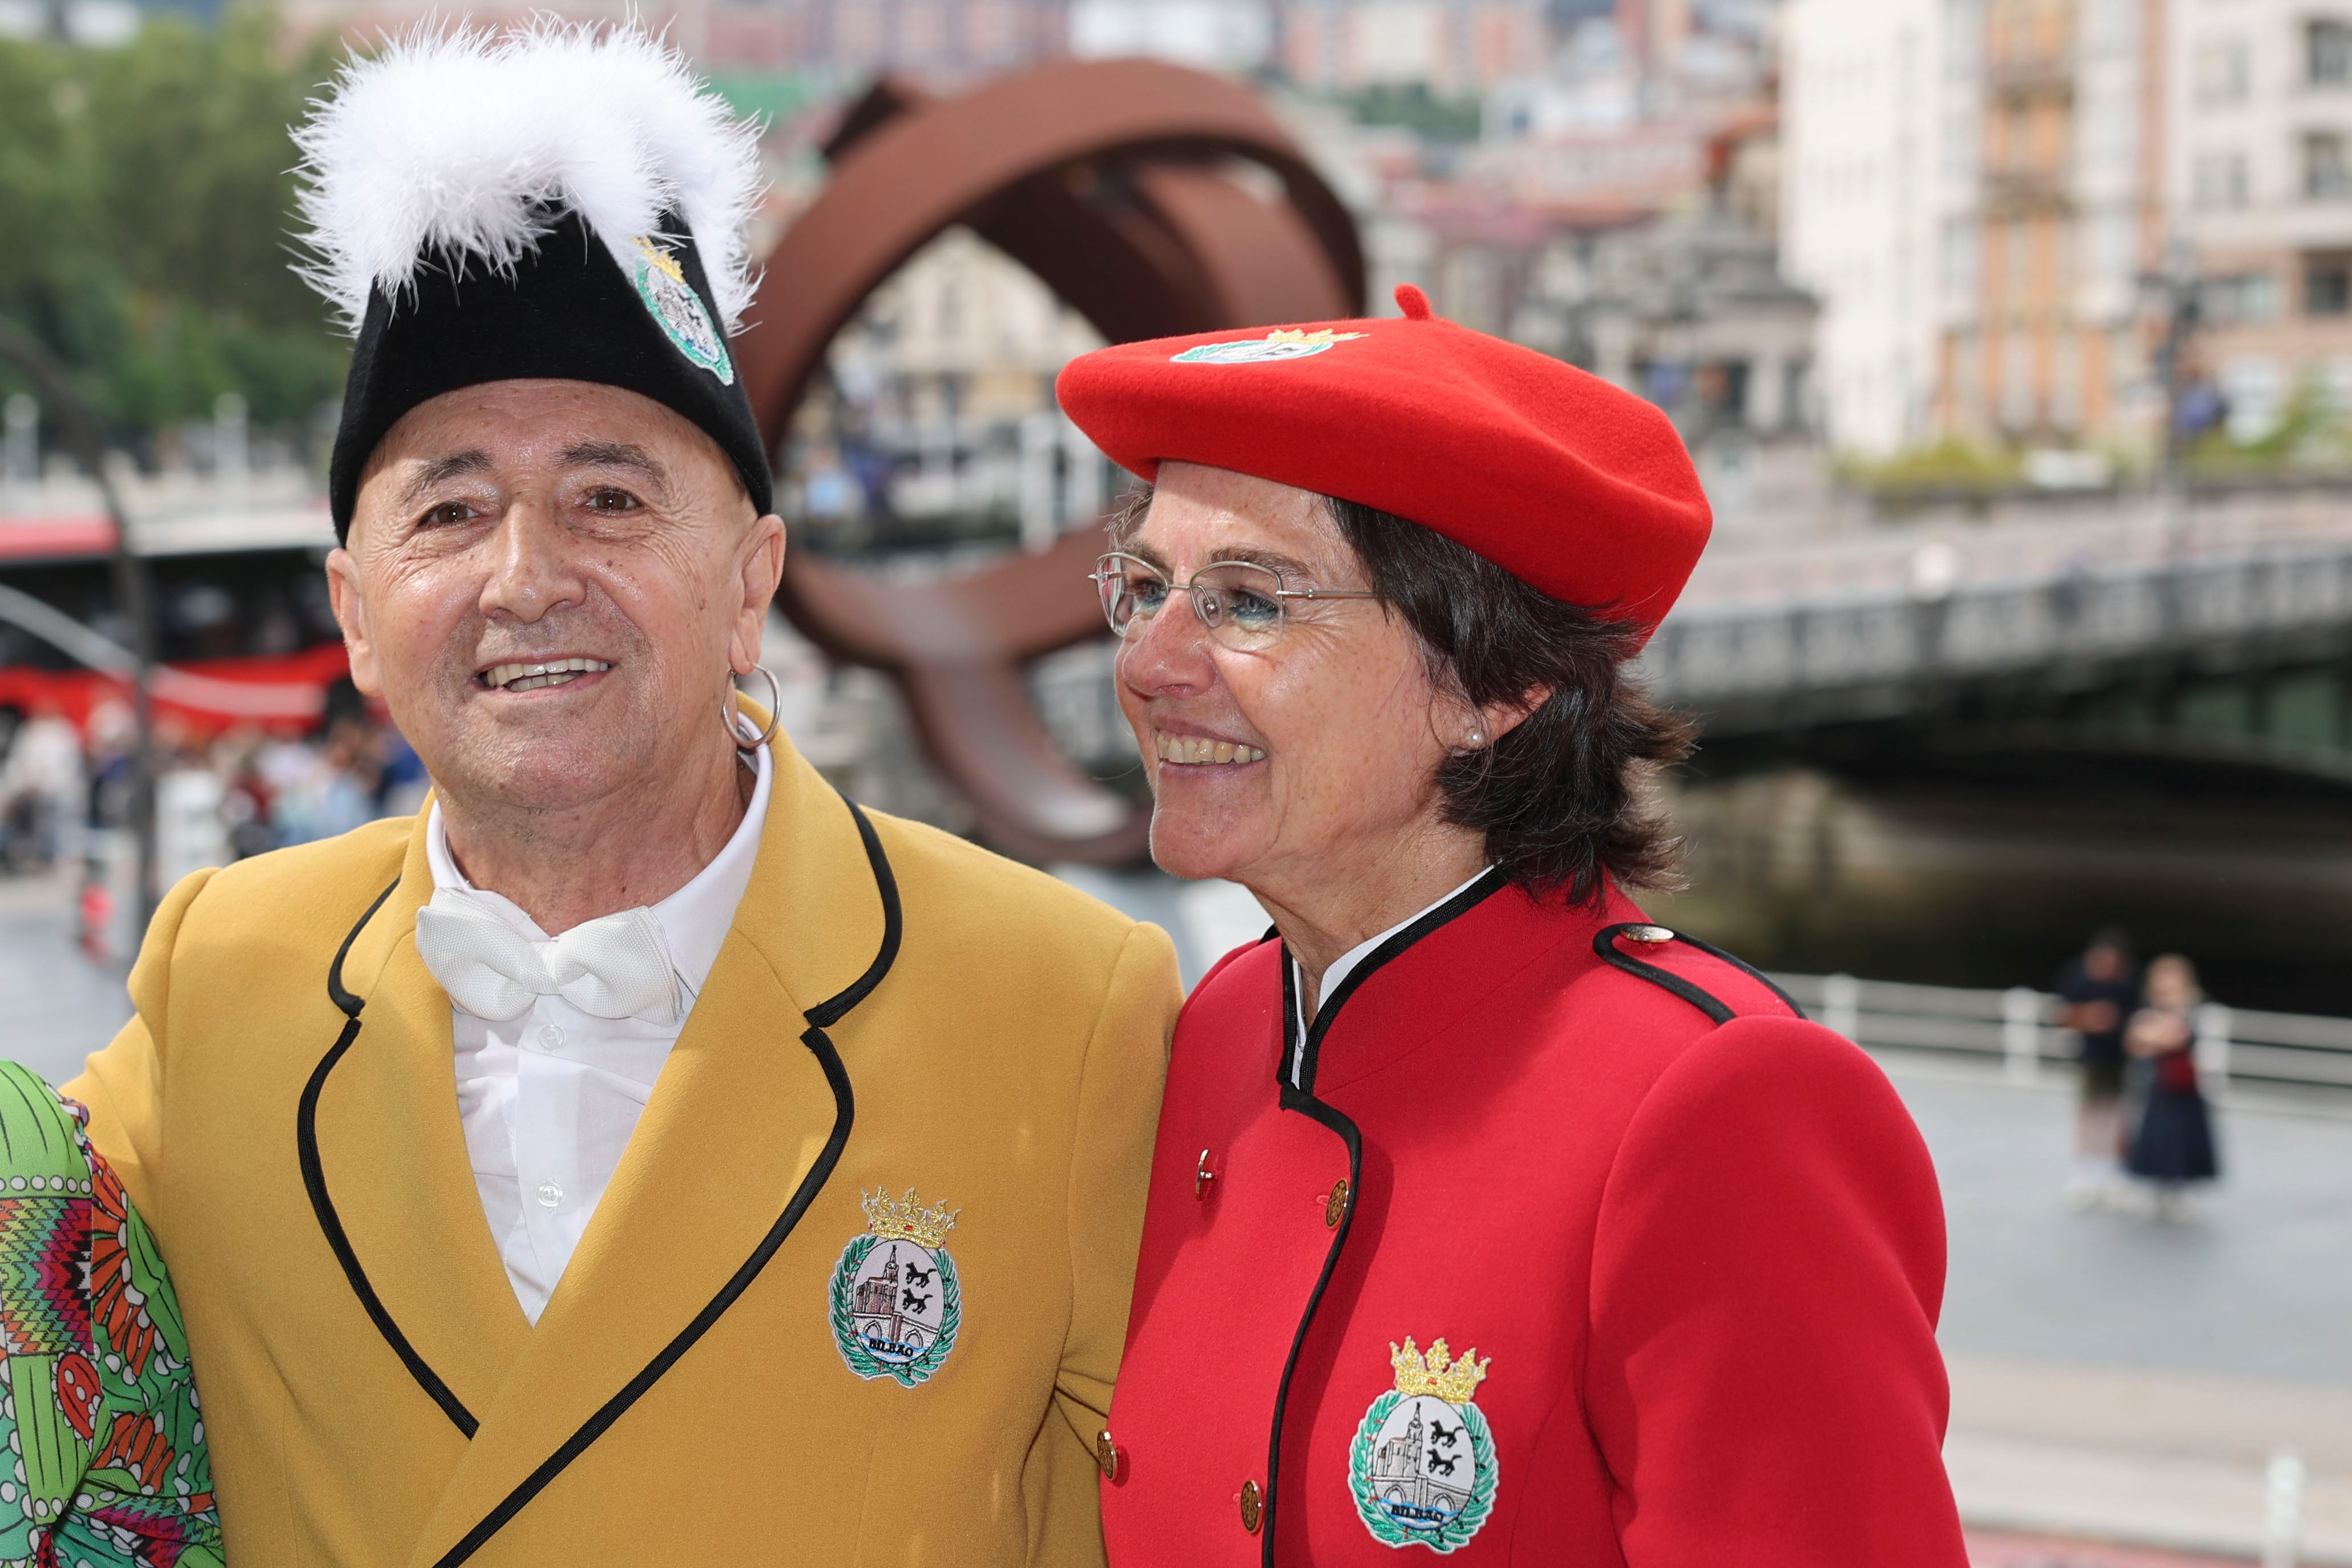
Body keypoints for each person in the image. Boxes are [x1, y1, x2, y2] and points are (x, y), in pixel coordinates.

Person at [66, 25, 1177, 1566]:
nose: (525, 577)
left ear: (751, 585)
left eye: (608, 497)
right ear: (356, 617)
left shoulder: (1066, 1005)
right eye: (449, 509)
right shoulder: (220, 978)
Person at [1056, 291, 1967, 1564]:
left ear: (1497, 684)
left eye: (1248, 600)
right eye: (1147, 586)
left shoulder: (1710, 1100)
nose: (1149, 664)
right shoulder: (1224, 1024)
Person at [2124, 953, 2221, 1218]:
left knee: (2181, 1138)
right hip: (2158, 1086)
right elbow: (2136, 1042)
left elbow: (2171, 1038)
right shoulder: (2152, 1008)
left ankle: (2177, 1191)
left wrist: (2154, 1034)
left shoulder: (2189, 1008)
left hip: (2181, 1087)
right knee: (2156, 1137)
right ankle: (2159, 1190)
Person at [2055, 926, 2140, 1209]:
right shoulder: (2078, 977)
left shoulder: (2128, 983)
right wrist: (2091, 1017)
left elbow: (2136, 1019)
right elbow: (2061, 1015)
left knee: (2118, 1117)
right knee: (2088, 1114)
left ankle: (2113, 1173)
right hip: (2090, 1059)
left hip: (2120, 1060)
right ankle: (2084, 1174)